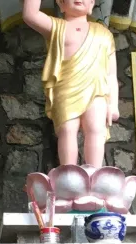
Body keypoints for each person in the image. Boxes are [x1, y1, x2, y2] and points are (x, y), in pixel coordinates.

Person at [22, 0, 119, 168]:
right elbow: (30, 14)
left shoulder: (104, 34)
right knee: (67, 130)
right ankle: (68, 172)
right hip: (66, 88)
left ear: (92, 4)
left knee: (96, 129)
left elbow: (111, 75)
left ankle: (95, 172)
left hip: (96, 89)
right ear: (61, 3)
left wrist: (113, 104)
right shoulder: (57, 27)